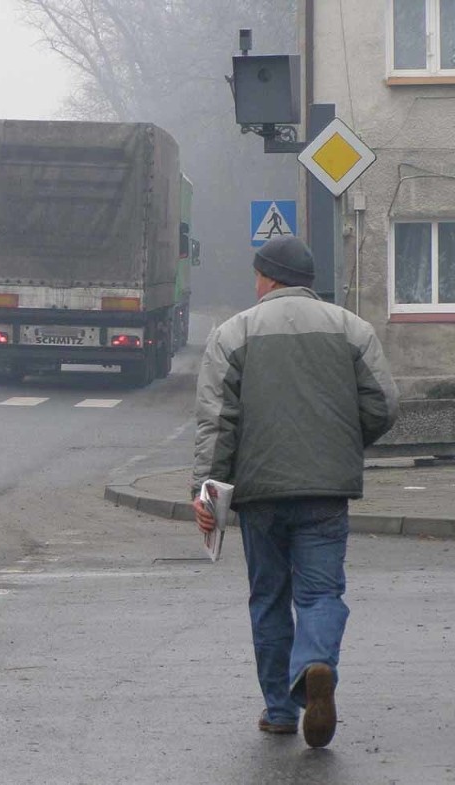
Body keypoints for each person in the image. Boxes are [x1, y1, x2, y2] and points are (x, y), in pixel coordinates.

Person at [191, 236, 399, 748]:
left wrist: (207, 492)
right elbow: (383, 405)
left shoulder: (231, 334)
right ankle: (316, 664)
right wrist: (345, 443)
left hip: (259, 493)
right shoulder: (353, 330)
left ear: (265, 278)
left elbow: (218, 421)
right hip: (326, 490)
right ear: (308, 282)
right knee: (321, 593)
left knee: (269, 597)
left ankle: (281, 710)